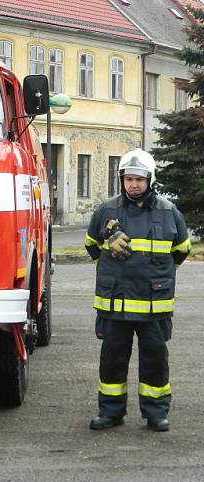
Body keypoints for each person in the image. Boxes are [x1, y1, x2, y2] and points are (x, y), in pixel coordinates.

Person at [85, 148, 190, 432]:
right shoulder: (106, 211)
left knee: (155, 359)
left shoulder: (169, 212)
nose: (133, 184)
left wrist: (157, 276)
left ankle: (155, 413)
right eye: (128, 178)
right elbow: (91, 247)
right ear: (121, 179)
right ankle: (110, 412)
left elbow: (181, 251)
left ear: (150, 180)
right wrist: (109, 247)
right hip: (115, 304)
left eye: (139, 179)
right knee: (112, 360)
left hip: (154, 306)